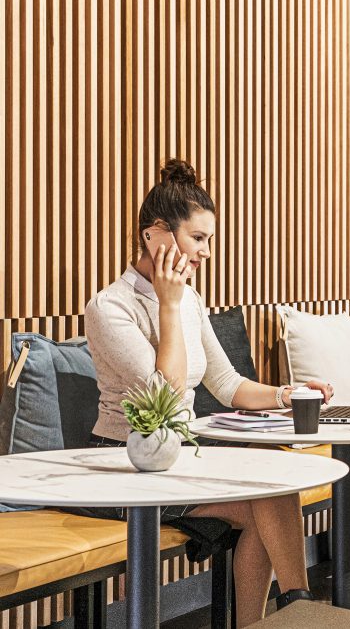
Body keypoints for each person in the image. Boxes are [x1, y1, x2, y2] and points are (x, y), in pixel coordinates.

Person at [82, 158, 333, 627]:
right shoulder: (109, 306)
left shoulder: (190, 298)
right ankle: (302, 613)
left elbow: (227, 384)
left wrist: (289, 392)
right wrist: (169, 305)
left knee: (277, 485)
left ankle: (290, 612)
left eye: (208, 240)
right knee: (269, 499)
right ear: (155, 234)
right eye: (198, 239)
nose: (207, 252)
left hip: (181, 457)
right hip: (123, 465)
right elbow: (166, 395)